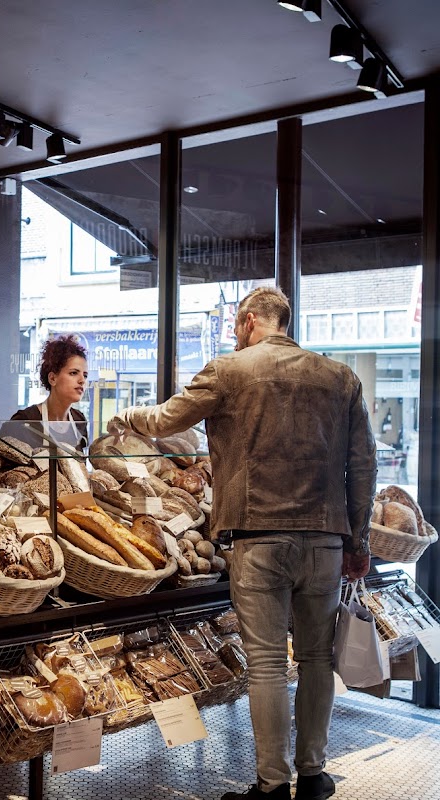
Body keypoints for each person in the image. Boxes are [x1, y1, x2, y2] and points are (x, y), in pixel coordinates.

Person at [111, 287, 376, 800]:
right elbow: (363, 462)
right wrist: (357, 539)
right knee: (318, 658)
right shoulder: (340, 378)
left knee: (270, 663)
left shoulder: (229, 370)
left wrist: (127, 418)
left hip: (258, 539)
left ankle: (273, 785)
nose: (235, 335)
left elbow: (167, 421)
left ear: (251, 321)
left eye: (236, 327)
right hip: (324, 539)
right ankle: (314, 776)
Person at [4, 334, 89, 451]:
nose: (82, 380)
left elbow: (80, 467)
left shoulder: (79, 420)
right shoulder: (25, 421)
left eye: (85, 375)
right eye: (73, 373)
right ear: (52, 378)